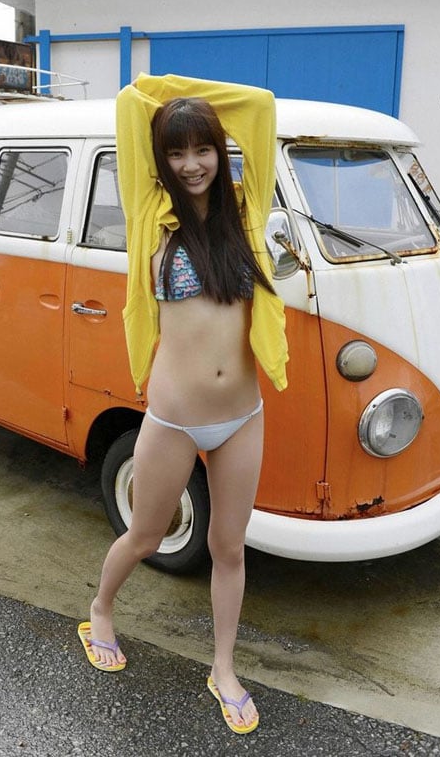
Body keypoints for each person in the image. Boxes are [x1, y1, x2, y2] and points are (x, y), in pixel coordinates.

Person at [78, 73, 288, 735]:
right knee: (144, 533)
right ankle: (102, 608)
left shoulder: (246, 209)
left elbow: (259, 105)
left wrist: (201, 119)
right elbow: (129, 103)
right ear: (160, 159)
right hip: (172, 414)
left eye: (203, 148)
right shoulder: (151, 213)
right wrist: (175, 101)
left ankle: (223, 667)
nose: (191, 164)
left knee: (229, 546)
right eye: (176, 151)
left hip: (243, 412)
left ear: (222, 150)